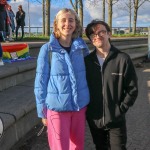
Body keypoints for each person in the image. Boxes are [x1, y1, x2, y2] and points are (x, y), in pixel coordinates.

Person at [34, 8, 90, 150]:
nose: (67, 24)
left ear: (76, 24)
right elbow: (40, 82)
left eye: (71, 20)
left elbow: (89, 75)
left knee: (78, 146)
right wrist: (42, 112)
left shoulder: (82, 48)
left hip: (79, 107)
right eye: (63, 20)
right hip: (57, 110)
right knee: (60, 147)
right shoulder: (47, 49)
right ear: (57, 24)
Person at [84, 20, 138, 150]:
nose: (97, 36)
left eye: (101, 32)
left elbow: (132, 89)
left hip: (116, 120)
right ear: (91, 40)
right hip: (95, 120)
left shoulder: (122, 59)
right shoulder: (87, 62)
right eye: (92, 34)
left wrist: (121, 109)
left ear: (109, 34)